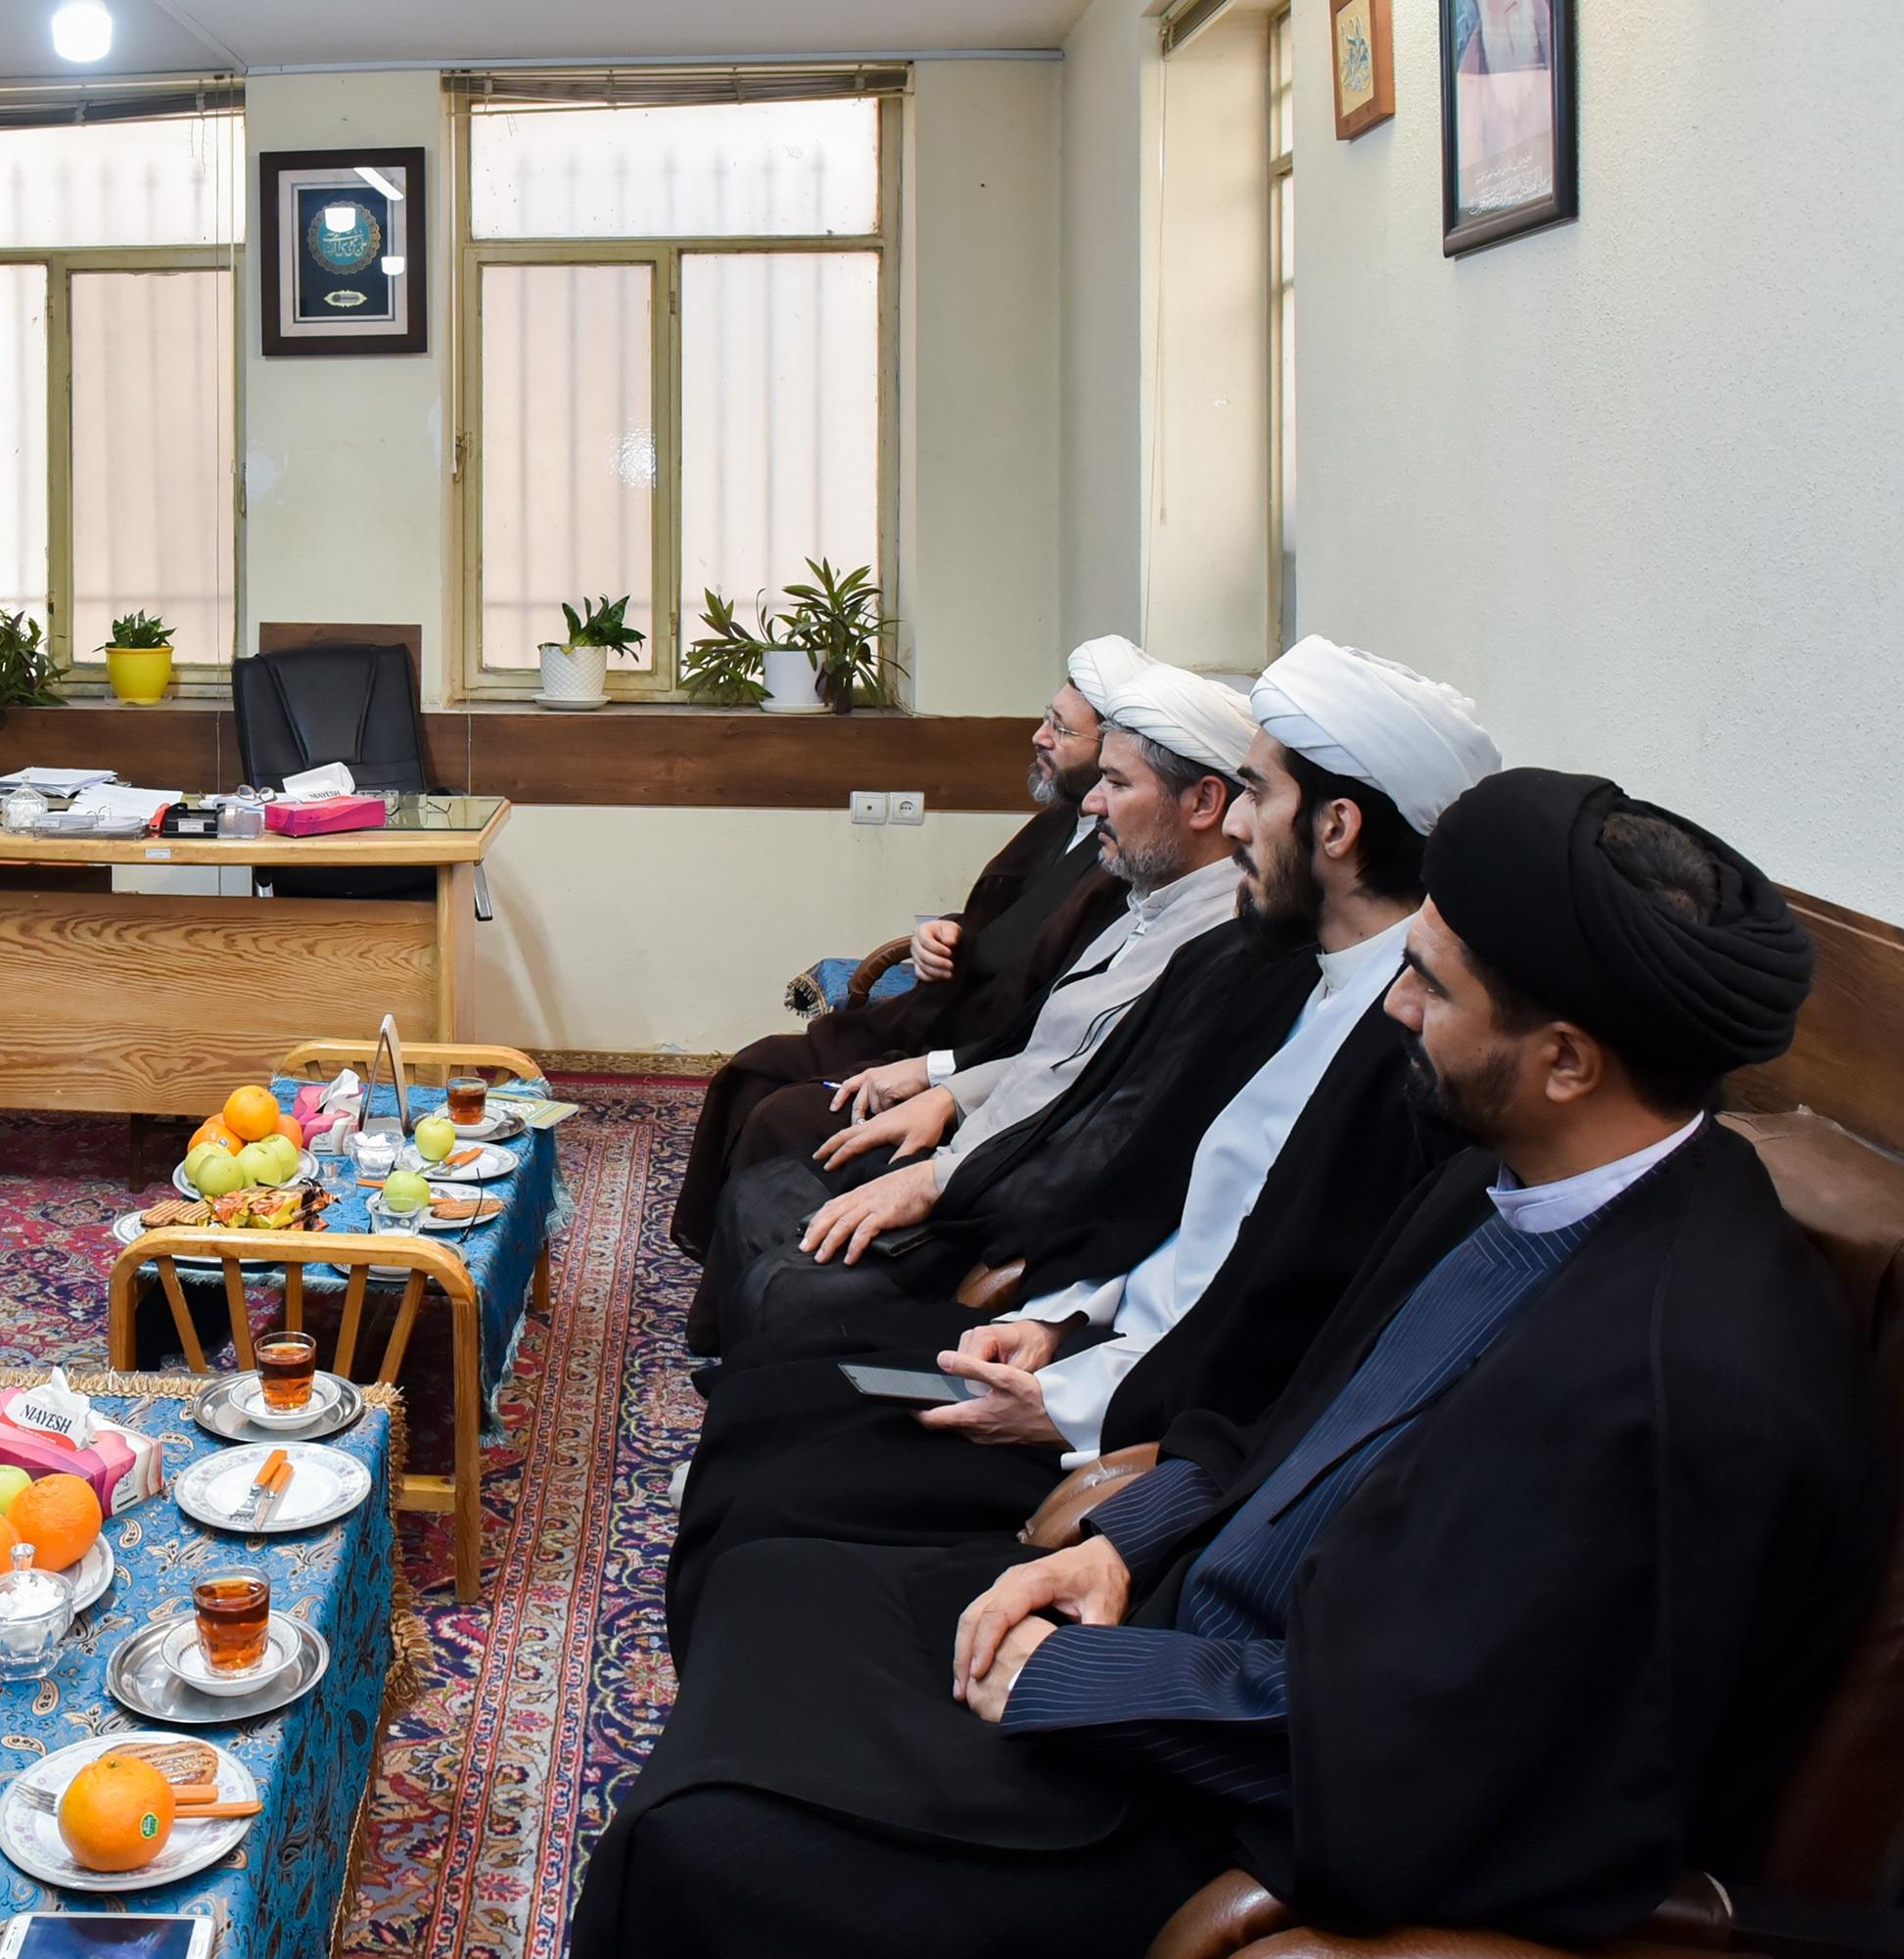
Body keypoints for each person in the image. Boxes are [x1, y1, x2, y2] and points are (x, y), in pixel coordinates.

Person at [575, 770, 1884, 1959]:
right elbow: (1290, 1417)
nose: (1398, 1009)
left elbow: (1449, 1757)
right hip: (1175, 1631)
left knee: (707, 1843)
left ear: (1565, 1060)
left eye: (1433, 988)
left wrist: (1074, 1680)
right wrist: (1123, 1542)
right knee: (772, 1579)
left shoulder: (1675, 1376)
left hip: (1230, 1806)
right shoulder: (1506, 1180)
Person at [663, 640, 1500, 1656]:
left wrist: (1070, 1394)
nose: (1236, 825)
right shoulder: (1302, 973)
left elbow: (1277, 1334)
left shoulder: (1393, 1050)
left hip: (1131, 1420)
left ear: (1335, 827)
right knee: (764, 1391)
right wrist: (1061, 1320)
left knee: (771, 1478)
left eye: (1255, 794)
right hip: (1088, 1343)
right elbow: (1177, 1215)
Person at [684, 661, 1259, 1356]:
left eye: (1115, 783)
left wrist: (940, 1163)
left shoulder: (1222, 946)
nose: (1090, 804)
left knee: (783, 1278)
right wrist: (951, 1092)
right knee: (756, 1188)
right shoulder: (1148, 898)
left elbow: (1109, 1130)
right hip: (975, 1127)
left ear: (1204, 803)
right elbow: (1047, 1039)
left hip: (1009, 1196)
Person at [671, 637, 1147, 1257]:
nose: (1038, 737)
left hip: (972, 1055)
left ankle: (766, 1270)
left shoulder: (1121, 865)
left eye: (1060, 728)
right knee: (754, 1069)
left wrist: (938, 1073)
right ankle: (726, 1256)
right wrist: (942, 934)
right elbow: (1005, 922)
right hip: (940, 1014)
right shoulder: (1066, 818)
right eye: (1046, 719)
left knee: (781, 1115)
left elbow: (1054, 1024)